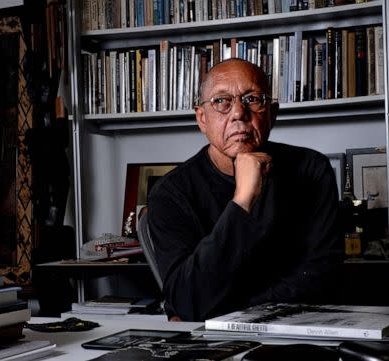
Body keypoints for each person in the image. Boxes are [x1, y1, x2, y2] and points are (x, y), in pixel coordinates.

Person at [146, 58, 341, 322]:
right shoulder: (170, 193)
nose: (238, 113)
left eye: (252, 99)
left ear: (272, 113)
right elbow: (187, 299)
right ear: (202, 118)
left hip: (300, 329)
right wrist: (242, 201)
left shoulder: (312, 170)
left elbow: (322, 279)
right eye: (221, 101)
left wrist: (219, 309)